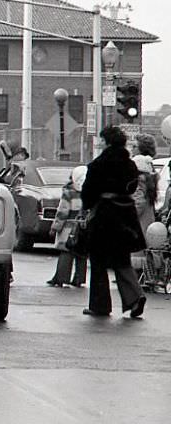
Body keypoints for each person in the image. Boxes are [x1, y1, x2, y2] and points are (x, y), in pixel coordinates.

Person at [81, 125, 147, 318]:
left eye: (102, 140)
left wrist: (88, 206)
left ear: (107, 142)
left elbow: (88, 193)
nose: (100, 143)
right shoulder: (130, 164)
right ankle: (135, 297)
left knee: (99, 261)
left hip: (104, 215)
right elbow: (132, 186)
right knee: (122, 259)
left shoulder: (98, 165)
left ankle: (100, 305)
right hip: (125, 214)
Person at [47, 166, 88, 288]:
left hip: (68, 228)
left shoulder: (68, 193)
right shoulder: (90, 193)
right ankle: (79, 279)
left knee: (66, 252)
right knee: (81, 254)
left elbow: (62, 213)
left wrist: (55, 227)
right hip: (83, 227)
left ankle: (61, 278)